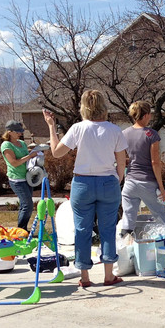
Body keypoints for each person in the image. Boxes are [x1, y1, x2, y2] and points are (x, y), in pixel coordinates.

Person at [43, 90, 127, 288]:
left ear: (83, 107)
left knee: (82, 230)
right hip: (108, 182)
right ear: (103, 106)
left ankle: (85, 277)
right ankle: (108, 275)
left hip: (82, 184)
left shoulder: (78, 128)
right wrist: (118, 179)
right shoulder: (115, 130)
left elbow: (56, 153)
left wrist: (51, 127)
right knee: (108, 228)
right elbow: (121, 160)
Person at [120, 101, 165, 236]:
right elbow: (155, 162)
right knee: (161, 216)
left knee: (128, 220)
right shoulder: (151, 134)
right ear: (146, 115)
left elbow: (121, 159)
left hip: (130, 182)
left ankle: (124, 247)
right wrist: (161, 188)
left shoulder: (124, 134)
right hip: (147, 182)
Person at [1, 120, 39, 230]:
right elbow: (14, 162)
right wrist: (30, 156)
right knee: (28, 205)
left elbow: (25, 154)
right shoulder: (6, 145)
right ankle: (21, 229)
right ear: (9, 132)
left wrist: (36, 150)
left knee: (24, 205)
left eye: (20, 131)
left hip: (27, 178)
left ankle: (21, 230)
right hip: (17, 179)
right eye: (17, 132)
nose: (20, 133)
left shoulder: (21, 143)